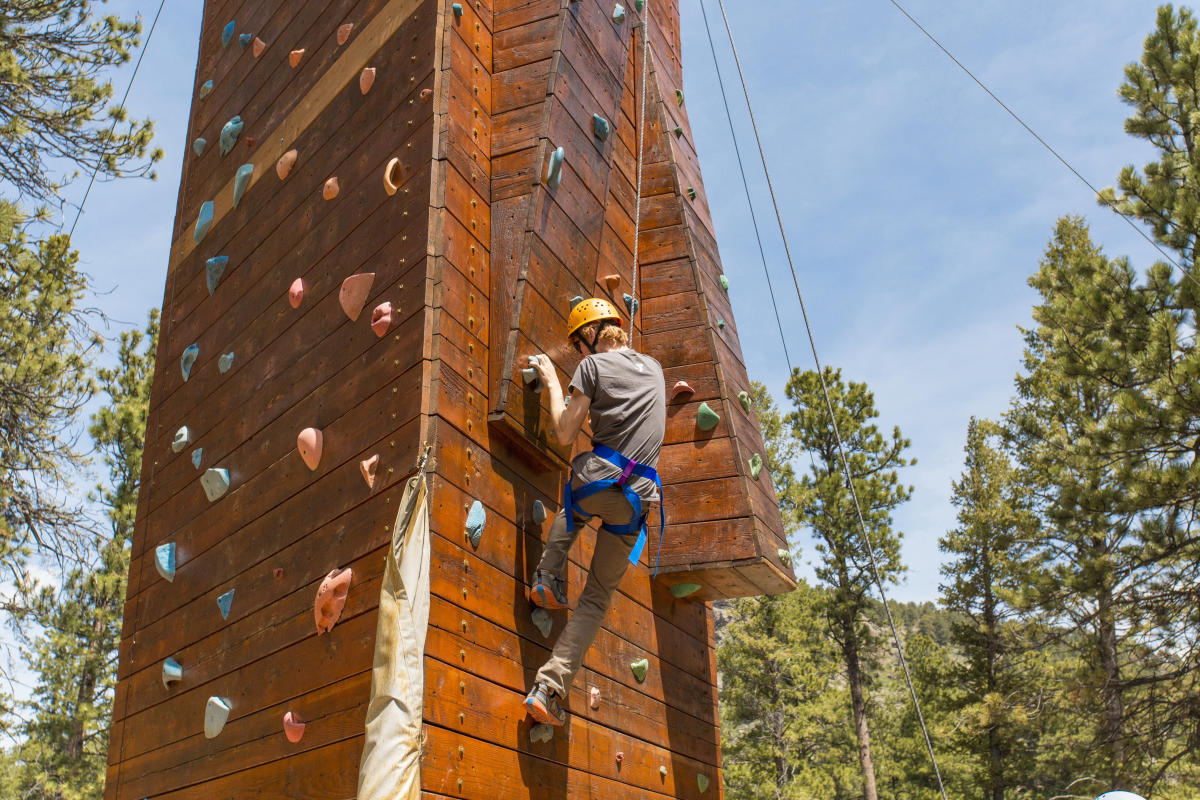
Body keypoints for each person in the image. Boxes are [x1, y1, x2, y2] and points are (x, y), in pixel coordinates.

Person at [522, 298, 666, 727]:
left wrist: (550, 380)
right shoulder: (655, 369)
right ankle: (548, 689)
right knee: (597, 598)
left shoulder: (593, 367)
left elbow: (565, 433)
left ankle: (546, 577)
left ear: (589, 336)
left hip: (599, 480)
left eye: (580, 344)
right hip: (637, 501)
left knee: (577, 491)